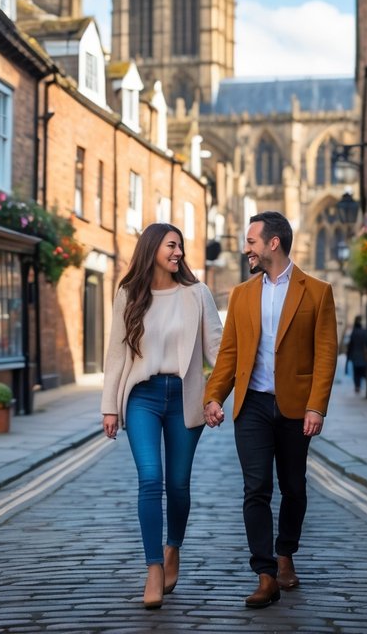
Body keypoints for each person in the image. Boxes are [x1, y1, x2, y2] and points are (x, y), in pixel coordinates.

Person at [203, 211, 338, 608]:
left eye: (251, 242)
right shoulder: (242, 294)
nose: (246, 248)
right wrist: (215, 396)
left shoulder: (317, 291)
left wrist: (317, 406)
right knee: (256, 488)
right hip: (254, 405)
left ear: (272, 243)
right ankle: (265, 574)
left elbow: (326, 354)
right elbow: (229, 353)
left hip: (296, 407)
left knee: (293, 487)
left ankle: (285, 555)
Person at [101, 222, 222, 610]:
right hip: (143, 397)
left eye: (181, 247)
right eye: (172, 245)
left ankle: (174, 549)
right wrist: (108, 406)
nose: (179, 253)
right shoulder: (129, 293)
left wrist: (218, 395)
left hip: (185, 397)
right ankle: (154, 568)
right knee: (151, 478)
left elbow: (217, 349)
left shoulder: (197, 294)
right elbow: (116, 354)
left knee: (179, 484)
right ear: (152, 247)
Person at [346, 316, 367, 394]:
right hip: (363, 355)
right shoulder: (364, 332)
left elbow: (350, 345)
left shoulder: (354, 332)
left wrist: (348, 356)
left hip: (355, 355)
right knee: (363, 371)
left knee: (356, 372)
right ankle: (365, 386)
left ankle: (357, 387)